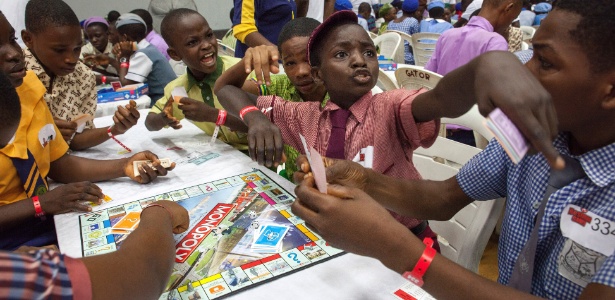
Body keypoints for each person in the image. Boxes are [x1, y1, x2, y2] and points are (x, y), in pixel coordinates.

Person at [291, 0, 615, 298]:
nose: (524, 73)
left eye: (543, 61)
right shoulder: (534, 137)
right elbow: (443, 198)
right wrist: (362, 179)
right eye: (529, 56)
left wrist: (395, 247)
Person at [214, 10, 550, 250]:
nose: (360, 60)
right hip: (338, 240)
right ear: (318, 74)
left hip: (404, 243)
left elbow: (440, 99)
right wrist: (254, 115)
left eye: (368, 51)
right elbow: (225, 90)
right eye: (342, 54)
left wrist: (482, 69)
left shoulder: (389, 107)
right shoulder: (303, 115)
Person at [0, 11, 176, 251]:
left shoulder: (28, 87)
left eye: (11, 40)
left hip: (44, 220)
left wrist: (123, 166)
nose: (13, 54)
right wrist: (40, 204)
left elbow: (57, 162)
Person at [21, 0, 140, 151]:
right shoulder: (14, 74)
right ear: (28, 39)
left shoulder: (83, 76)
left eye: (77, 49)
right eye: (59, 50)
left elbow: (76, 139)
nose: (71, 59)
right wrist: (38, 132)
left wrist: (115, 129)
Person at [220, 17, 326, 179]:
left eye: (309, 60)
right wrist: (256, 119)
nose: (301, 71)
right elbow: (224, 88)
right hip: (295, 185)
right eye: (290, 63)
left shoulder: (339, 90)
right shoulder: (281, 86)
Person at [145, 9, 249, 151]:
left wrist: (213, 115)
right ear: (175, 54)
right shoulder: (179, 90)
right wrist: (163, 118)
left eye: (209, 35)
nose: (207, 45)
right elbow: (150, 123)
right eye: (192, 42)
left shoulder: (244, 72)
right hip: (227, 158)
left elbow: (274, 124)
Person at [425, 0, 522, 75]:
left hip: (441, 98)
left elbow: (428, 75)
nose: (509, 26)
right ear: (508, 8)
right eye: (513, 18)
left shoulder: (447, 35)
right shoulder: (495, 41)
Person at [113, 13, 177, 106]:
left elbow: (125, 84)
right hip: (167, 99)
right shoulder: (147, 48)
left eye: (119, 37)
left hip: (165, 103)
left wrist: (124, 57)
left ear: (124, 38)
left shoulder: (143, 54)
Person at [232, 0, 297, 58]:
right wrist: (280, 53)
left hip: (284, 63)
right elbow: (243, 28)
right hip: (256, 64)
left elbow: (295, 22)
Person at [387, 0, 422, 64]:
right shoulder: (413, 22)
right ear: (415, 11)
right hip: (408, 60)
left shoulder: (390, 23)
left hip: (392, 59)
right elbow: (416, 44)